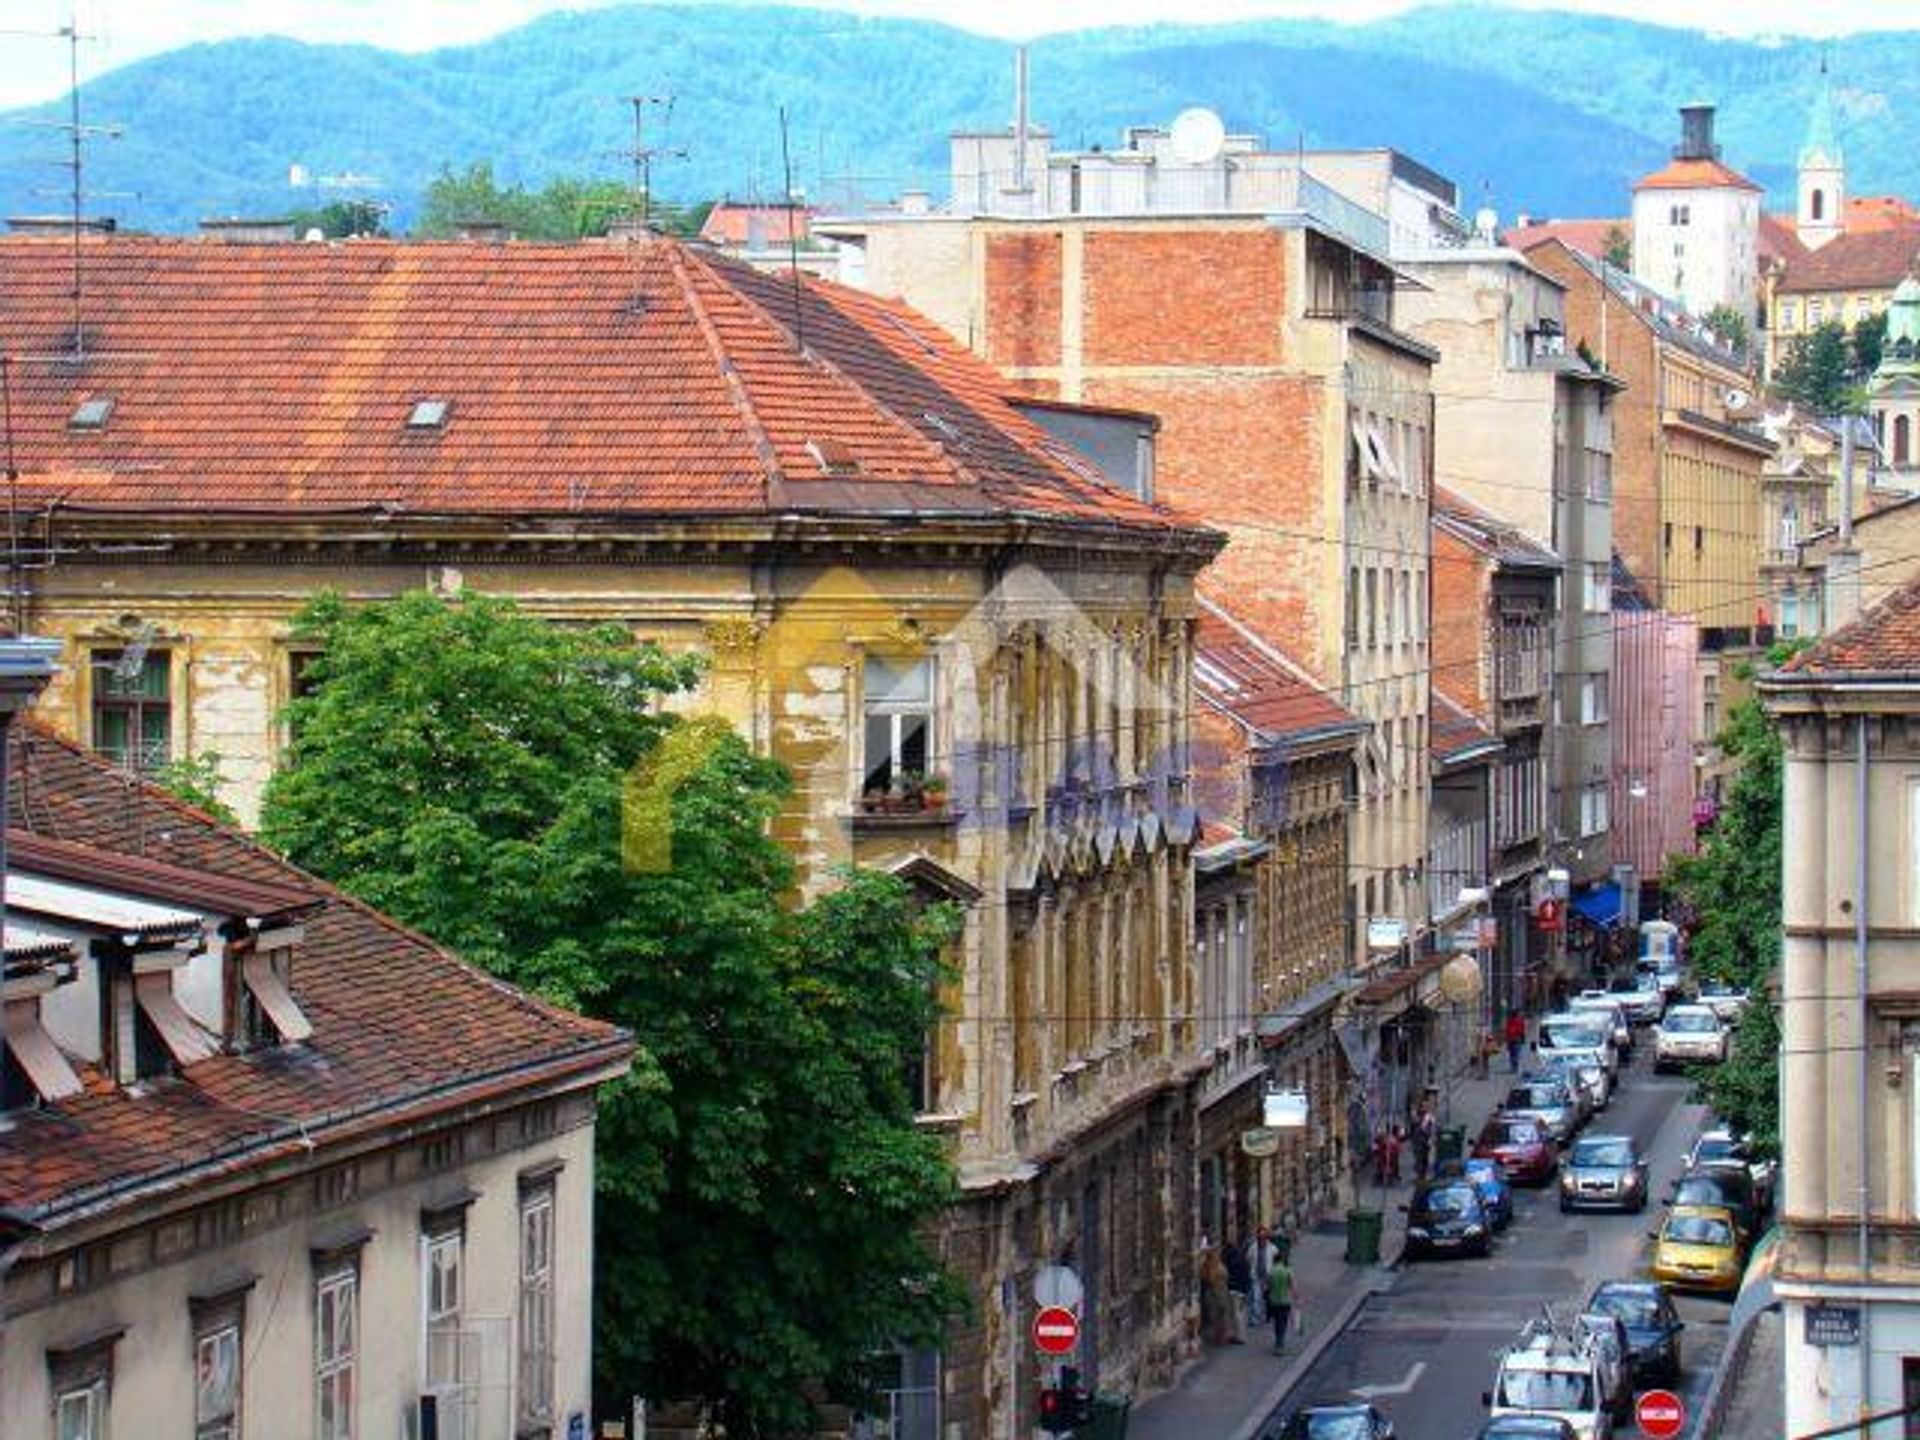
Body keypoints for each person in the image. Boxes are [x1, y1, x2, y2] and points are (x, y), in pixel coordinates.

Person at [1222, 1234, 1251, 1343]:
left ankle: (1239, 1336)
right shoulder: (1243, 1260)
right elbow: (1247, 1274)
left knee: (1235, 1313)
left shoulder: (1232, 1262)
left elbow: (1229, 1276)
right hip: (1242, 1289)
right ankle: (1238, 1334)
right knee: (1241, 1312)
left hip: (1234, 1289)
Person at [1247, 1225, 1277, 1326]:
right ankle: (1255, 1319)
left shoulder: (1272, 1248)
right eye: (1260, 1237)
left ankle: (1267, 1316)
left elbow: (1276, 1259)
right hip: (1256, 1276)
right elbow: (1248, 1259)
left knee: (1267, 1298)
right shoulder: (1253, 1247)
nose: (1262, 1239)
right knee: (1256, 1297)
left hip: (1268, 1276)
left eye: (1264, 1237)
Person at [1265, 1252, 1295, 1355]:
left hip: (1274, 1301)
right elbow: (1292, 1286)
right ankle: (1280, 1343)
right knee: (1284, 1322)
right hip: (1285, 1301)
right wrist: (1297, 1298)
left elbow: (1268, 1286)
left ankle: (1278, 1341)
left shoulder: (1271, 1271)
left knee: (1277, 1322)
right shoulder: (1288, 1271)